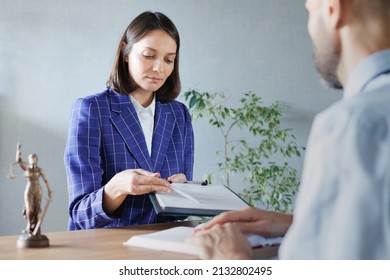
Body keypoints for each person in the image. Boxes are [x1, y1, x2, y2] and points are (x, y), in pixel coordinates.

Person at [187, 0, 390, 259]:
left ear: (332, 9)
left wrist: (232, 258)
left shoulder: (353, 126)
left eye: (309, 12)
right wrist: (299, 223)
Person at [64, 11, 194, 230]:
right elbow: (80, 214)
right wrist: (117, 188)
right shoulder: (92, 110)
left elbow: (180, 212)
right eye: (149, 55)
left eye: (168, 59)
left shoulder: (179, 115)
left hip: (166, 245)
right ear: (126, 51)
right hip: (107, 248)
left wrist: (184, 194)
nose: (159, 68)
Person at [15, 143, 53, 236]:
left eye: (34, 158)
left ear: (36, 160)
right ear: (29, 160)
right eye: (31, 158)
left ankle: (37, 228)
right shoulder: (27, 169)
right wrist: (18, 150)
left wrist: (49, 191)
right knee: (29, 208)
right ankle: (29, 225)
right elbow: (19, 161)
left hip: (38, 189)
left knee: (37, 209)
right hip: (29, 189)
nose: (32, 160)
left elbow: (45, 180)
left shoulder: (39, 170)